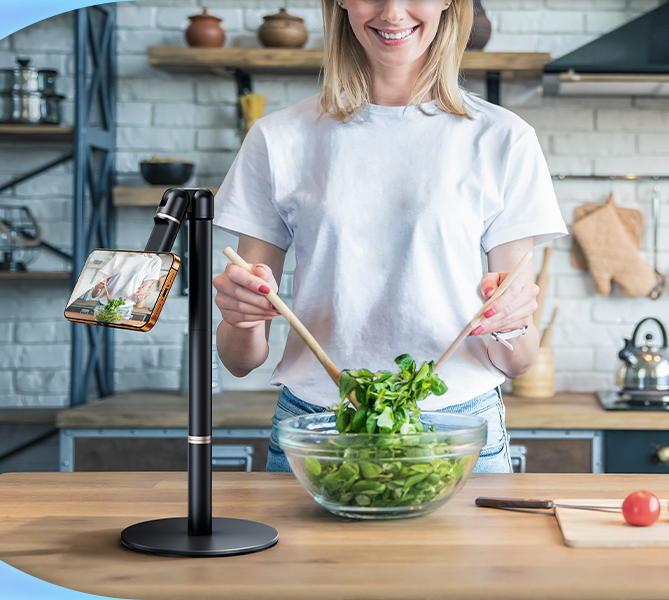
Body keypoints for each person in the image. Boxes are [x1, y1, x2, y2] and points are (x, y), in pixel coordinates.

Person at [211, 0, 566, 473]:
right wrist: (242, 316)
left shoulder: (503, 138)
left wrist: (513, 320)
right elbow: (239, 360)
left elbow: (518, 361)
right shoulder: (278, 138)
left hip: (458, 430)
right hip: (320, 429)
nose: (392, 12)